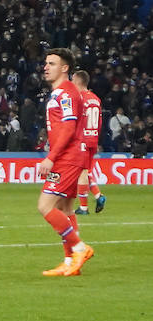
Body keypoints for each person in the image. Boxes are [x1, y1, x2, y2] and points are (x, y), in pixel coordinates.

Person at [37, 49, 95, 276]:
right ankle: (70, 262)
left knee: (45, 206)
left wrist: (51, 157)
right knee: (65, 207)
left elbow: (69, 128)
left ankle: (80, 248)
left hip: (67, 158)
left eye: (51, 63)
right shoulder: (60, 93)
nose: (46, 67)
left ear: (65, 68)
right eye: (46, 63)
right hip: (69, 156)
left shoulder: (67, 93)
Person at [71, 70, 106, 215]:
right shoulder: (96, 99)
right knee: (85, 171)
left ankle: (84, 208)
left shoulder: (79, 99)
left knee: (82, 172)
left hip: (82, 139)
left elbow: (75, 120)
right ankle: (98, 195)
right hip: (93, 138)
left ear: (78, 81)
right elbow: (99, 122)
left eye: (73, 80)